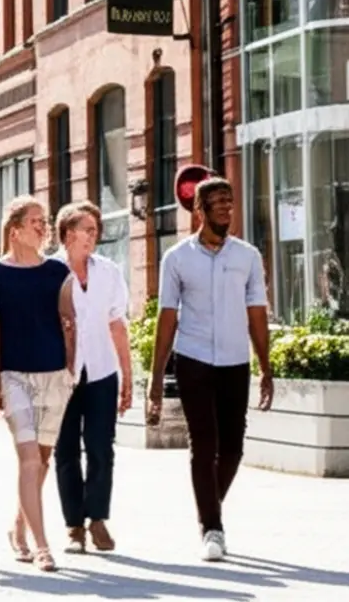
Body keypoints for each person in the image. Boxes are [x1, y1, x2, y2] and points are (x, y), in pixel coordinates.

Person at [148, 173, 272, 562]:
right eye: (217, 205)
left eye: (229, 204)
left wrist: (266, 366)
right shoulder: (177, 258)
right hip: (194, 359)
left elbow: (257, 315)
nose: (226, 210)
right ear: (198, 210)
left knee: (233, 449)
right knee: (204, 444)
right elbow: (166, 318)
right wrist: (154, 381)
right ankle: (212, 528)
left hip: (235, 361)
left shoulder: (247, 256)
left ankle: (208, 507)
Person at [0, 196, 76, 572]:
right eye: (36, 221)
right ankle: (43, 547)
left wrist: (71, 370)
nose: (43, 227)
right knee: (27, 458)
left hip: (55, 375)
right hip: (14, 376)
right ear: (15, 230)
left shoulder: (58, 273)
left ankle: (18, 527)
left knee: (41, 460)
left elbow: (69, 323)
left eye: (45, 221)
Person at [53, 201, 131, 554]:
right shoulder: (50, 272)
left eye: (96, 230)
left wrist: (127, 376)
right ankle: (73, 527)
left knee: (101, 447)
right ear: (69, 234)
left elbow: (117, 324)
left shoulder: (109, 272)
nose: (93, 236)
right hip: (61, 375)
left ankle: (97, 518)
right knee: (66, 450)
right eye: (88, 230)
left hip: (101, 371)